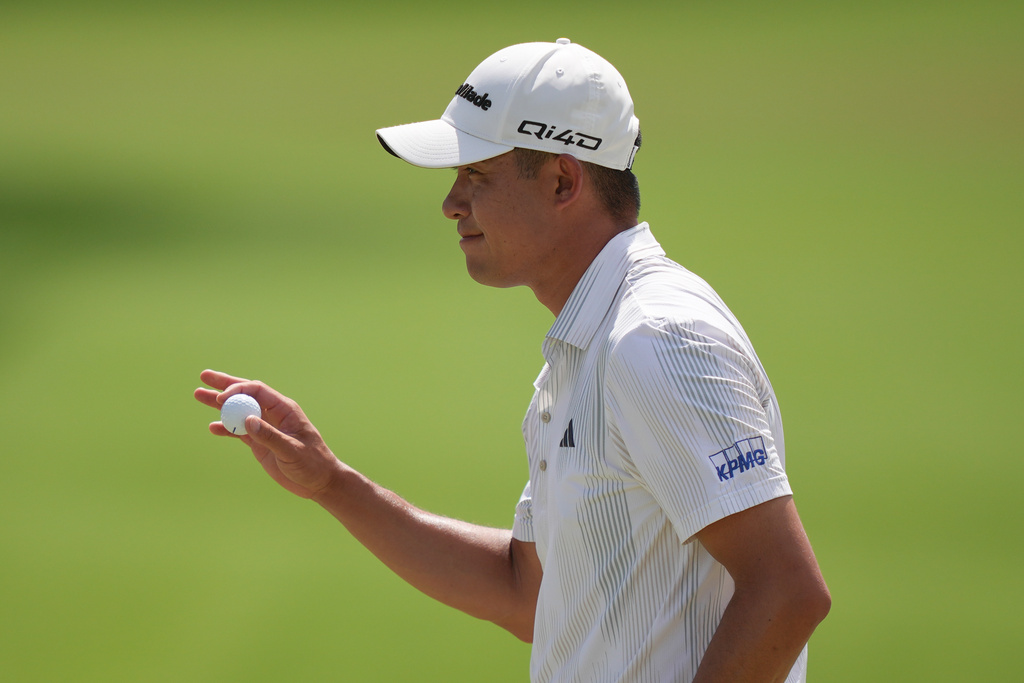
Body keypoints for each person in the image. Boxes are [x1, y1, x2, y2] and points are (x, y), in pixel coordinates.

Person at [195, 38, 830, 682]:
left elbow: (786, 591)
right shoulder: (586, 347)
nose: (451, 203)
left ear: (562, 181)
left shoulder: (656, 339)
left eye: (477, 175)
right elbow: (526, 592)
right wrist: (332, 483)